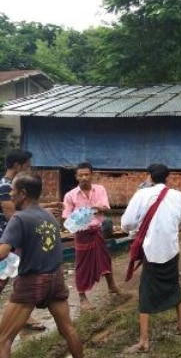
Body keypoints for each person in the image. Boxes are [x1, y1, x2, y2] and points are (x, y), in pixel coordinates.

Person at [0, 172, 83, 357]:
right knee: (68, 330)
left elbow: (3, 252)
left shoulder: (19, 218)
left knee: (3, 339)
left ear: (22, 193)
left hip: (31, 282)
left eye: (12, 190)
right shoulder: (49, 217)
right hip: (56, 279)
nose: (10, 194)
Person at [121, 164, 181, 354]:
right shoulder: (177, 195)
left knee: (146, 292)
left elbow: (126, 223)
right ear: (167, 178)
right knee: (173, 284)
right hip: (171, 249)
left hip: (151, 251)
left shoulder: (141, 195)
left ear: (149, 176)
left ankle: (144, 340)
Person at [0, 149, 62, 332]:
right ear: (18, 165)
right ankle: (20, 316)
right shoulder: (5, 187)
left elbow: (28, 207)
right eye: (27, 165)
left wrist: (47, 207)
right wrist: (43, 214)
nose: (29, 168)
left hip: (18, 237)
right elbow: (12, 214)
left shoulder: (12, 186)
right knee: (4, 279)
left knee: (14, 277)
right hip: (9, 238)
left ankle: (23, 315)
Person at [62, 162, 122, 311]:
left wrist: (97, 209)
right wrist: (81, 217)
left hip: (98, 231)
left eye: (87, 174)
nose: (84, 177)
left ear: (92, 175)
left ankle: (112, 286)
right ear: (76, 177)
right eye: (80, 175)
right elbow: (66, 217)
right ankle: (82, 297)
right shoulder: (70, 195)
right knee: (82, 265)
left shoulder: (100, 190)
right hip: (82, 234)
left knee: (105, 259)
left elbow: (106, 209)